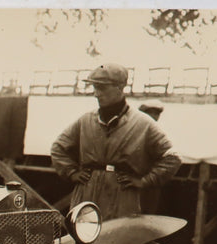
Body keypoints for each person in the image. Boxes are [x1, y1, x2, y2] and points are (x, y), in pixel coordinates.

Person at [50, 63, 181, 220]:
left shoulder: (142, 123)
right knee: (82, 238)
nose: (96, 94)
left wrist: (144, 181)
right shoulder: (85, 121)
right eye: (95, 88)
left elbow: (172, 158)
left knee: (119, 240)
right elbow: (58, 148)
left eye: (102, 88)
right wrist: (72, 173)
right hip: (87, 192)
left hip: (122, 194)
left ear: (120, 87)